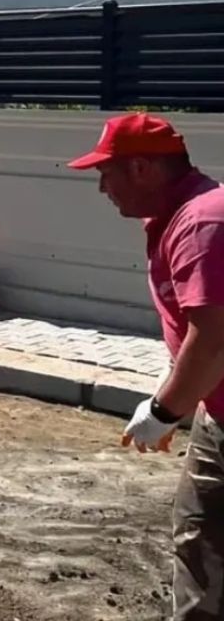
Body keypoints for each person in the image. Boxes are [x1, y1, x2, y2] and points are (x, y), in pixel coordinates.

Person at [69, 112, 224, 619]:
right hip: (216, 407)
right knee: (199, 532)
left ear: (140, 168)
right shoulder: (181, 215)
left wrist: (164, 409)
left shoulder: (202, 224)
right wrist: (176, 391)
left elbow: (216, 342)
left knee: (205, 543)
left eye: (104, 173)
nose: (100, 188)